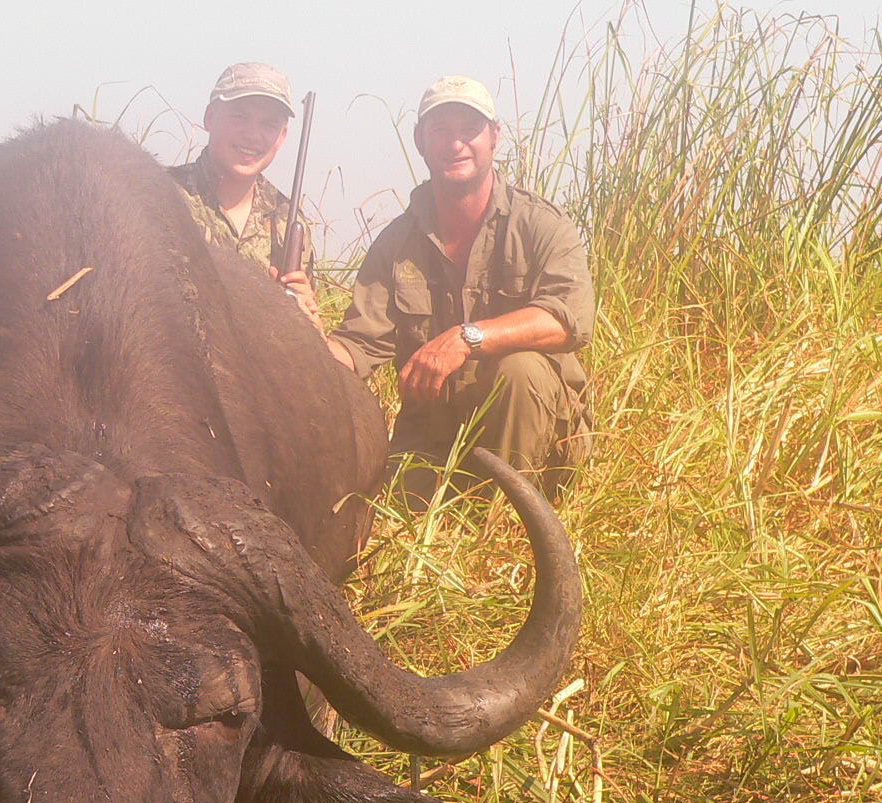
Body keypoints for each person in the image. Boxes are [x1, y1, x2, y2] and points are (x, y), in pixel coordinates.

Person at [324, 76, 594, 501]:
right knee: (371, 512)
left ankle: (506, 526)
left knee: (520, 369)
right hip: (435, 436)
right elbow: (357, 344)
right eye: (441, 131)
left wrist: (466, 339)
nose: (456, 145)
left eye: (469, 130)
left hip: (537, 436)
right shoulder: (396, 242)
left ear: (495, 137)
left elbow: (567, 320)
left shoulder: (542, 224)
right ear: (420, 141)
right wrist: (296, 350)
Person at [170, 62, 321, 329]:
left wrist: (309, 322)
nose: (253, 135)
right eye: (240, 117)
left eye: (269, 124)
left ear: (282, 136)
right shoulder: (162, 197)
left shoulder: (290, 223)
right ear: (209, 117)